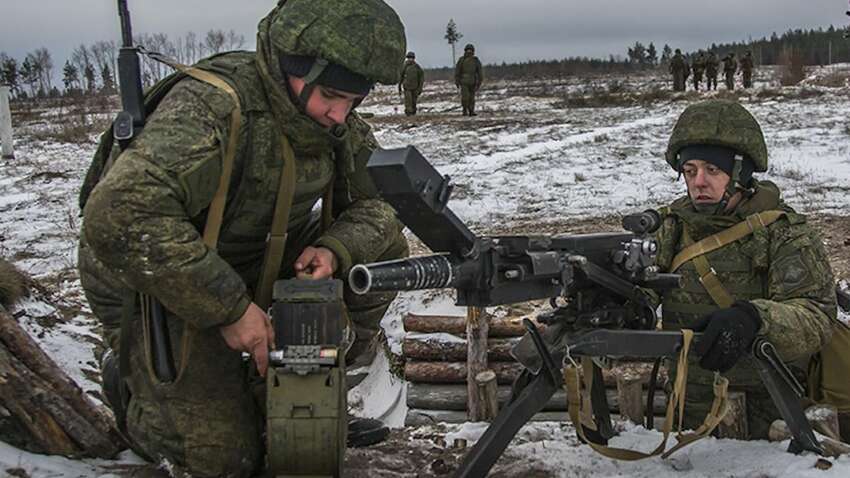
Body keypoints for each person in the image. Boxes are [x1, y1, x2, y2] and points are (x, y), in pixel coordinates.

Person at [77, 0, 409, 476]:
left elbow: (386, 202)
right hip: (155, 277)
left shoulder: (329, 121)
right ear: (293, 68)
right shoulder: (214, 108)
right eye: (332, 95)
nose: (340, 114)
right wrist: (230, 309)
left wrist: (336, 249)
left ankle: (298, 384)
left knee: (382, 252)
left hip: (254, 257)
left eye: (353, 101)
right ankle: (134, 387)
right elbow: (119, 215)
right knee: (228, 461)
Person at [651, 100, 842, 440]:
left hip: (769, 424)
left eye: (712, 170)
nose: (699, 182)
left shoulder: (783, 232)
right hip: (687, 417)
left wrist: (755, 318)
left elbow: (816, 317)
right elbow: (640, 290)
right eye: (690, 171)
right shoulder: (671, 228)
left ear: (740, 174)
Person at [454, 43, 483, 116]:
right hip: (464, 82)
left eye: (470, 50)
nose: (469, 51)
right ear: (465, 51)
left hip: (473, 82)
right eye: (468, 50)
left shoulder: (475, 60)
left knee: (472, 98)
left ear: (473, 51)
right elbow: (457, 71)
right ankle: (464, 110)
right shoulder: (462, 60)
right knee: (465, 97)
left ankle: (471, 111)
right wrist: (457, 81)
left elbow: (480, 72)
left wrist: (479, 82)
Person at [399, 51, 424, 116]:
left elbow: (421, 78)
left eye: (411, 58)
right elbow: (401, 77)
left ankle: (413, 112)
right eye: (409, 58)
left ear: (413, 58)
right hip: (407, 87)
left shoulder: (417, 67)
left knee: (414, 101)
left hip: (415, 87)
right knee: (408, 101)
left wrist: (420, 88)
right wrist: (399, 87)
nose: (410, 59)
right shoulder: (404, 66)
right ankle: (409, 113)